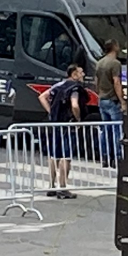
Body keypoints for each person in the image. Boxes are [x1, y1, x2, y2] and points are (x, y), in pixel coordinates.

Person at [37, 64, 88, 199]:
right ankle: (63, 187)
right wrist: (78, 120)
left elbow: (42, 97)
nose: (83, 75)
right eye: (81, 72)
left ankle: (52, 186)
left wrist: (51, 112)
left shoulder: (58, 86)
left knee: (54, 155)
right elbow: (75, 105)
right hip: (67, 125)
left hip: (55, 123)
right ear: (74, 74)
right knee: (66, 156)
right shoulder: (75, 88)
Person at [95, 39, 125, 168]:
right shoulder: (115, 64)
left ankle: (105, 157)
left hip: (102, 98)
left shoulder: (99, 63)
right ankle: (117, 157)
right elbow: (117, 82)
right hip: (112, 99)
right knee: (117, 130)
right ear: (115, 47)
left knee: (105, 130)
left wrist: (99, 94)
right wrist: (123, 101)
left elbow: (96, 81)